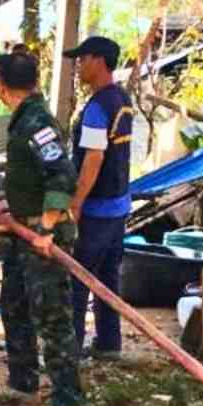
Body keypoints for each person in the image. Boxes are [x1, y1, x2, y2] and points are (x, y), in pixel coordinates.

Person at [0, 49, 85, 406]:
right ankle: (22, 382)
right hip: (21, 233)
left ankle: (68, 402)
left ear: (1, 86)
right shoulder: (23, 119)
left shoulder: (38, 123)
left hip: (42, 237)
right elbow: (33, 181)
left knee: (52, 317)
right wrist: (6, 205)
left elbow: (62, 176)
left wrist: (46, 227)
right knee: (14, 305)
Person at [63, 36, 133, 360]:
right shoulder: (121, 99)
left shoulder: (97, 108)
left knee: (77, 281)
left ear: (99, 61)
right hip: (118, 205)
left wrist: (76, 202)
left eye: (83, 59)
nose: (79, 66)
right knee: (107, 279)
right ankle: (108, 343)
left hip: (96, 209)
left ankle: (70, 351)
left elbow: (93, 158)